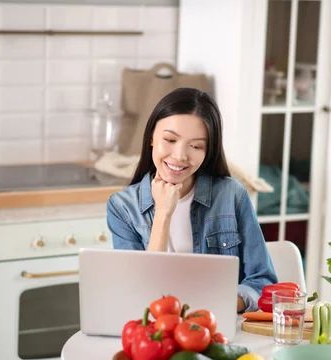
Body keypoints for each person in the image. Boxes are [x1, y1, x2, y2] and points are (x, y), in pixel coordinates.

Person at [106, 87, 277, 313]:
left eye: (196, 146)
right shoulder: (122, 207)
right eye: (169, 139)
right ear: (151, 138)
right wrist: (163, 213)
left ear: (208, 151)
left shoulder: (231, 195)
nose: (180, 155)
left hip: (218, 325)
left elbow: (263, 281)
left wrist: (213, 308)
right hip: (156, 330)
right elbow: (138, 293)